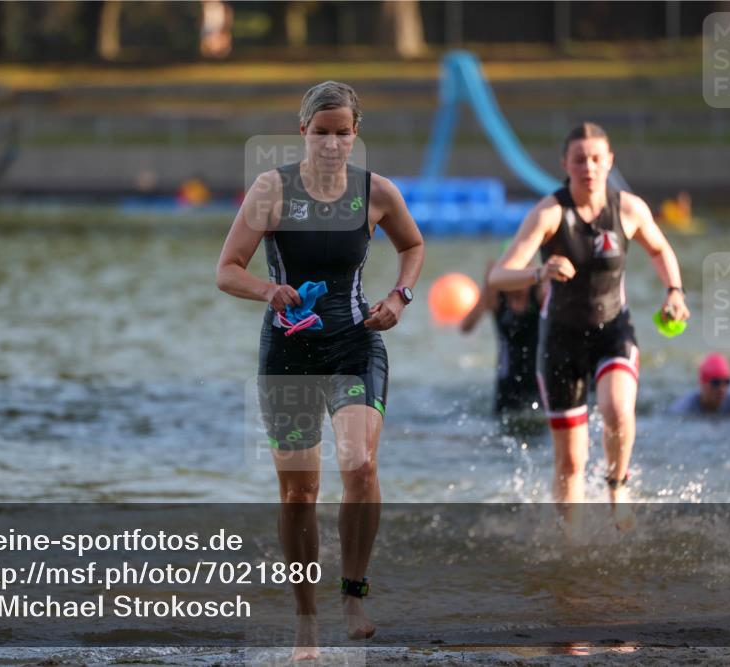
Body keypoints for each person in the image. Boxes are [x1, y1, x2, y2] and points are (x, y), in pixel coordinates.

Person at [216, 81, 424, 659]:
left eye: (342, 133)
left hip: (356, 343)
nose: (332, 144)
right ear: (302, 130)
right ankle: (306, 617)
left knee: (359, 463)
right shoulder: (271, 190)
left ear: (356, 133)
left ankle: (353, 593)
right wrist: (269, 289)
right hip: (288, 353)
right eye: (321, 132)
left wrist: (400, 297)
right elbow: (227, 269)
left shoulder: (376, 192)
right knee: (300, 493)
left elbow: (413, 246)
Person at [487, 122, 690, 523]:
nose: (589, 167)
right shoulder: (548, 213)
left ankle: (617, 484)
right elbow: (499, 274)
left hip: (614, 330)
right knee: (569, 464)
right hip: (560, 342)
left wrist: (675, 291)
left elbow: (660, 249)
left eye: (597, 159)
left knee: (617, 409)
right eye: (579, 159)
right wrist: (538, 273)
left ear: (609, 162)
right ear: (565, 163)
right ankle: (571, 544)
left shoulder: (628, 208)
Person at [460, 256, 544, 415]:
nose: (513, 284)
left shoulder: (538, 295)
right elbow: (466, 327)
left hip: (538, 379)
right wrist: (488, 286)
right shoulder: (496, 299)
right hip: (506, 381)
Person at [670, 352, 730, 416]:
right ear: (703, 385)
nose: (722, 389)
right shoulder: (684, 408)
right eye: (716, 382)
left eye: (727, 382)